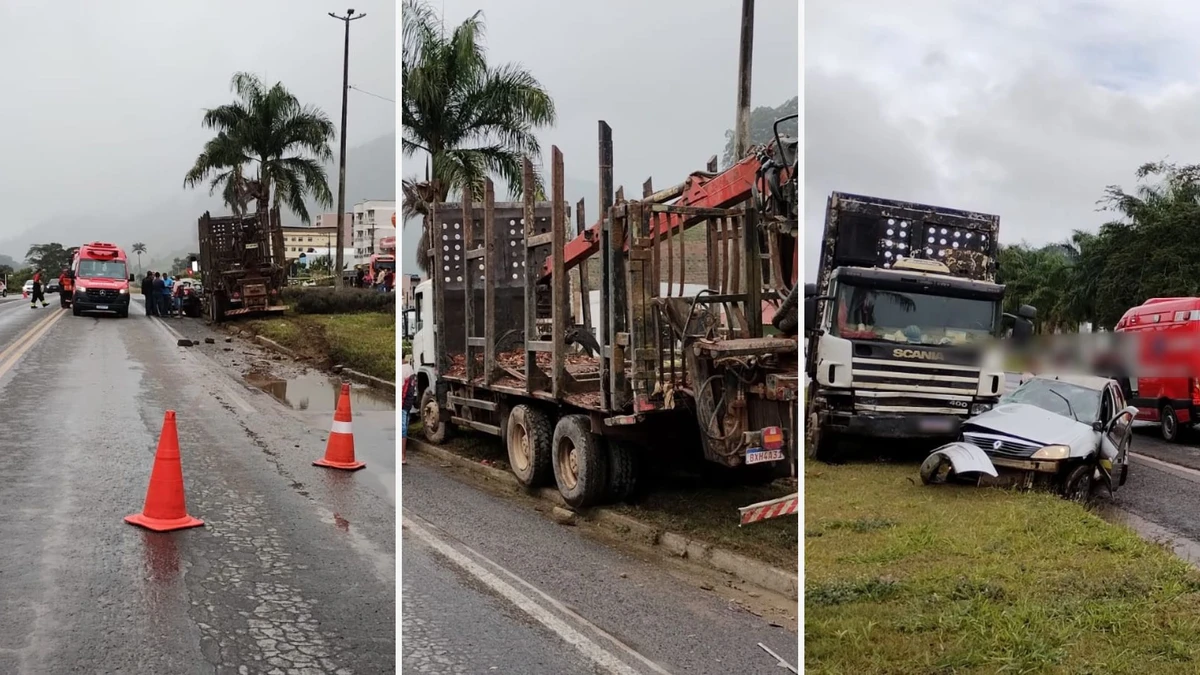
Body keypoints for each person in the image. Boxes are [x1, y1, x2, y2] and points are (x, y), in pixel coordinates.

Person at [400, 355, 416, 466]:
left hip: (403, 403)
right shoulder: (409, 368)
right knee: (403, 427)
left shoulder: (403, 370)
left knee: (402, 429)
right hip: (407, 403)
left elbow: (402, 390)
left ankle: (402, 456)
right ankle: (402, 456)